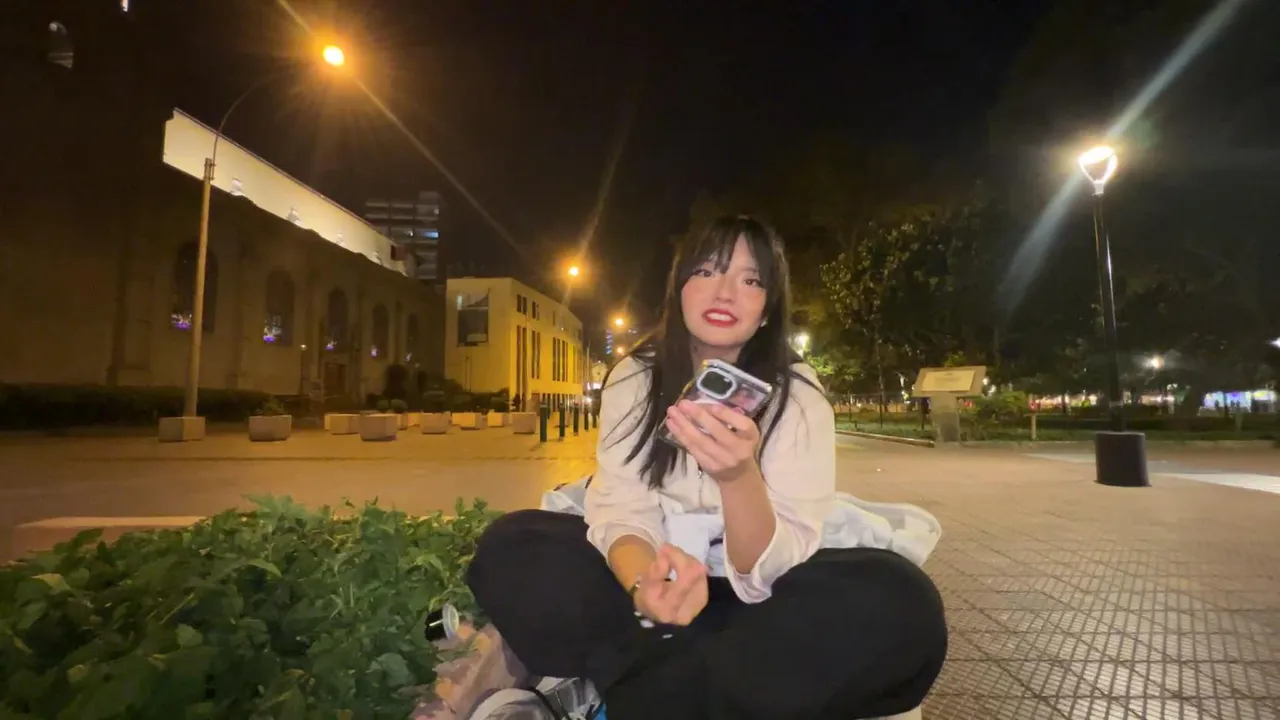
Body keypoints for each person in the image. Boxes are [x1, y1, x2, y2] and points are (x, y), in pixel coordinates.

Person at [466, 215, 947, 719]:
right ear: (678, 289)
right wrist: (644, 587)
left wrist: (738, 478)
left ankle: (631, 692)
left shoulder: (798, 396)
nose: (725, 292)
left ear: (767, 310)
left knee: (902, 602)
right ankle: (721, 691)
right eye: (706, 271)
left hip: (765, 601)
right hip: (658, 581)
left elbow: (773, 571)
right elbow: (623, 508)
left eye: (751, 280)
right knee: (513, 547)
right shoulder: (636, 376)